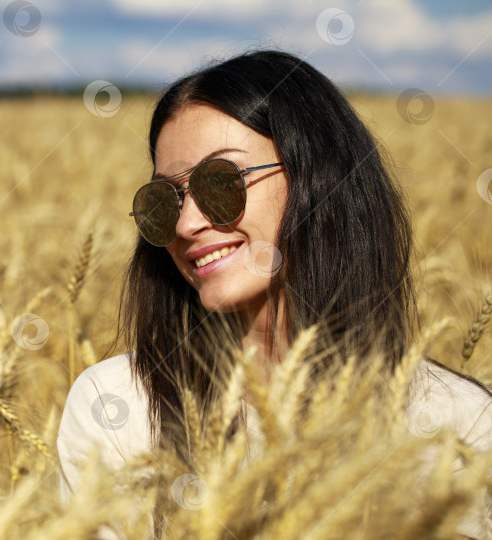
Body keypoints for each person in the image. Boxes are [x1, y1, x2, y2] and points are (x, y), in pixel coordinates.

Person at [57, 49, 492, 539]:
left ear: (318, 180)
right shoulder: (116, 408)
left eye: (221, 182)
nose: (187, 223)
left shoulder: (456, 423)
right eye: (163, 200)